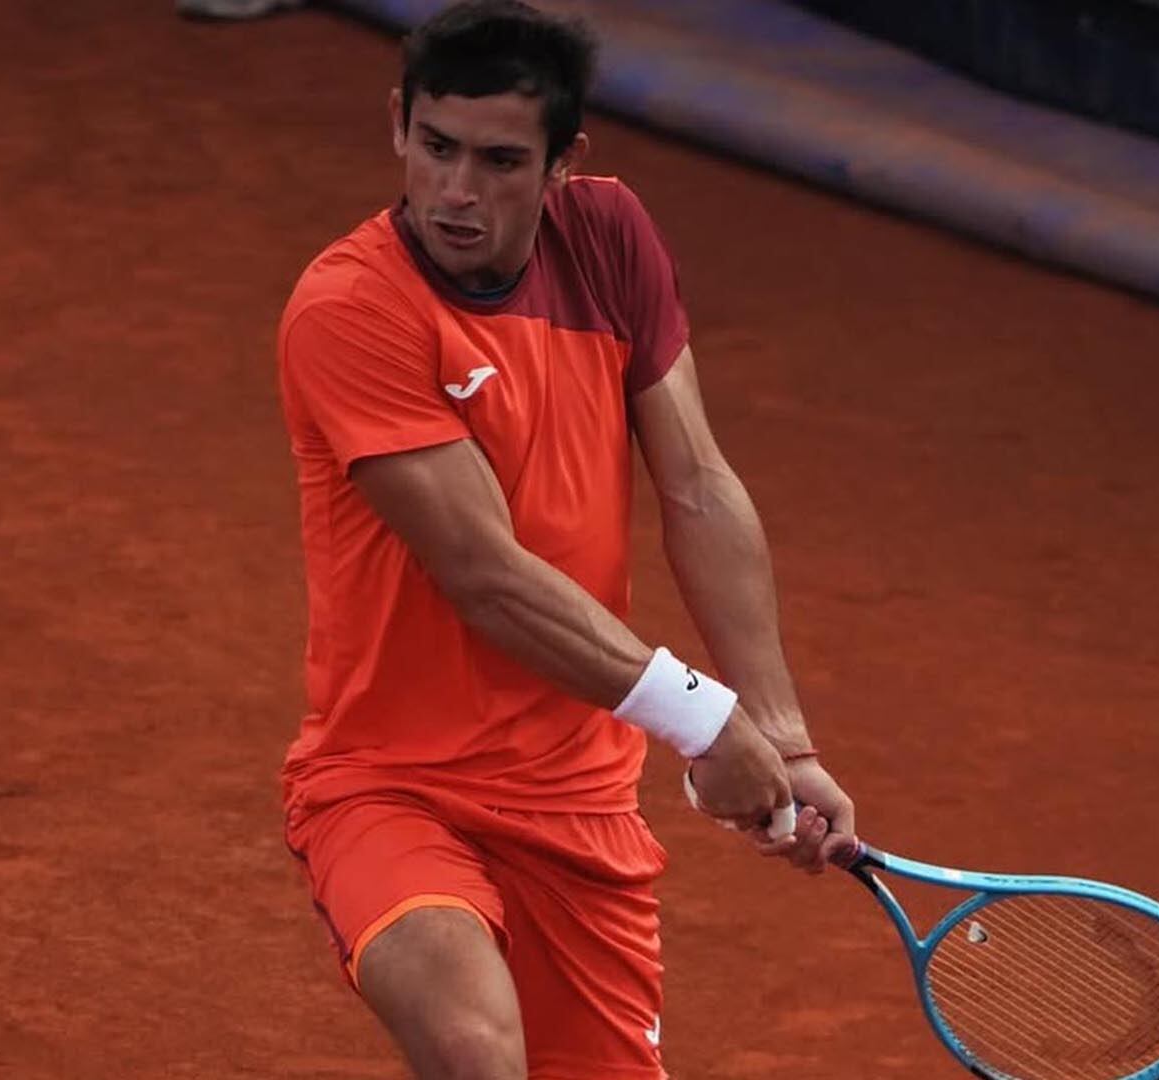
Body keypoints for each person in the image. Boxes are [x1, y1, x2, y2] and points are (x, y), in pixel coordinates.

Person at [275, 2, 860, 1076]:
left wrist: (781, 736)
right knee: (473, 1045)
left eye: (500, 161)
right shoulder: (349, 308)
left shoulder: (608, 237)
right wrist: (699, 719)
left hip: (578, 808)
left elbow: (696, 486)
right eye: (437, 147)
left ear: (561, 164)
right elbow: (485, 577)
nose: (457, 190)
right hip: (392, 784)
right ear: (398, 125)